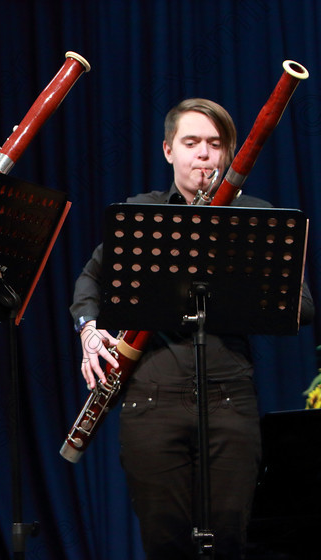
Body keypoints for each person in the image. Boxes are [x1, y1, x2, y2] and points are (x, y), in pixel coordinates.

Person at [70, 98, 314, 559]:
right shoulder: (141, 215)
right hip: (151, 402)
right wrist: (88, 330)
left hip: (230, 400)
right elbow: (90, 280)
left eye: (214, 144)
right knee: (165, 545)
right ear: (168, 150)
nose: (204, 154)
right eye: (191, 142)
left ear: (227, 154)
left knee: (229, 542)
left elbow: (300, 307)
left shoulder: (257, 217)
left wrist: (222, 289)